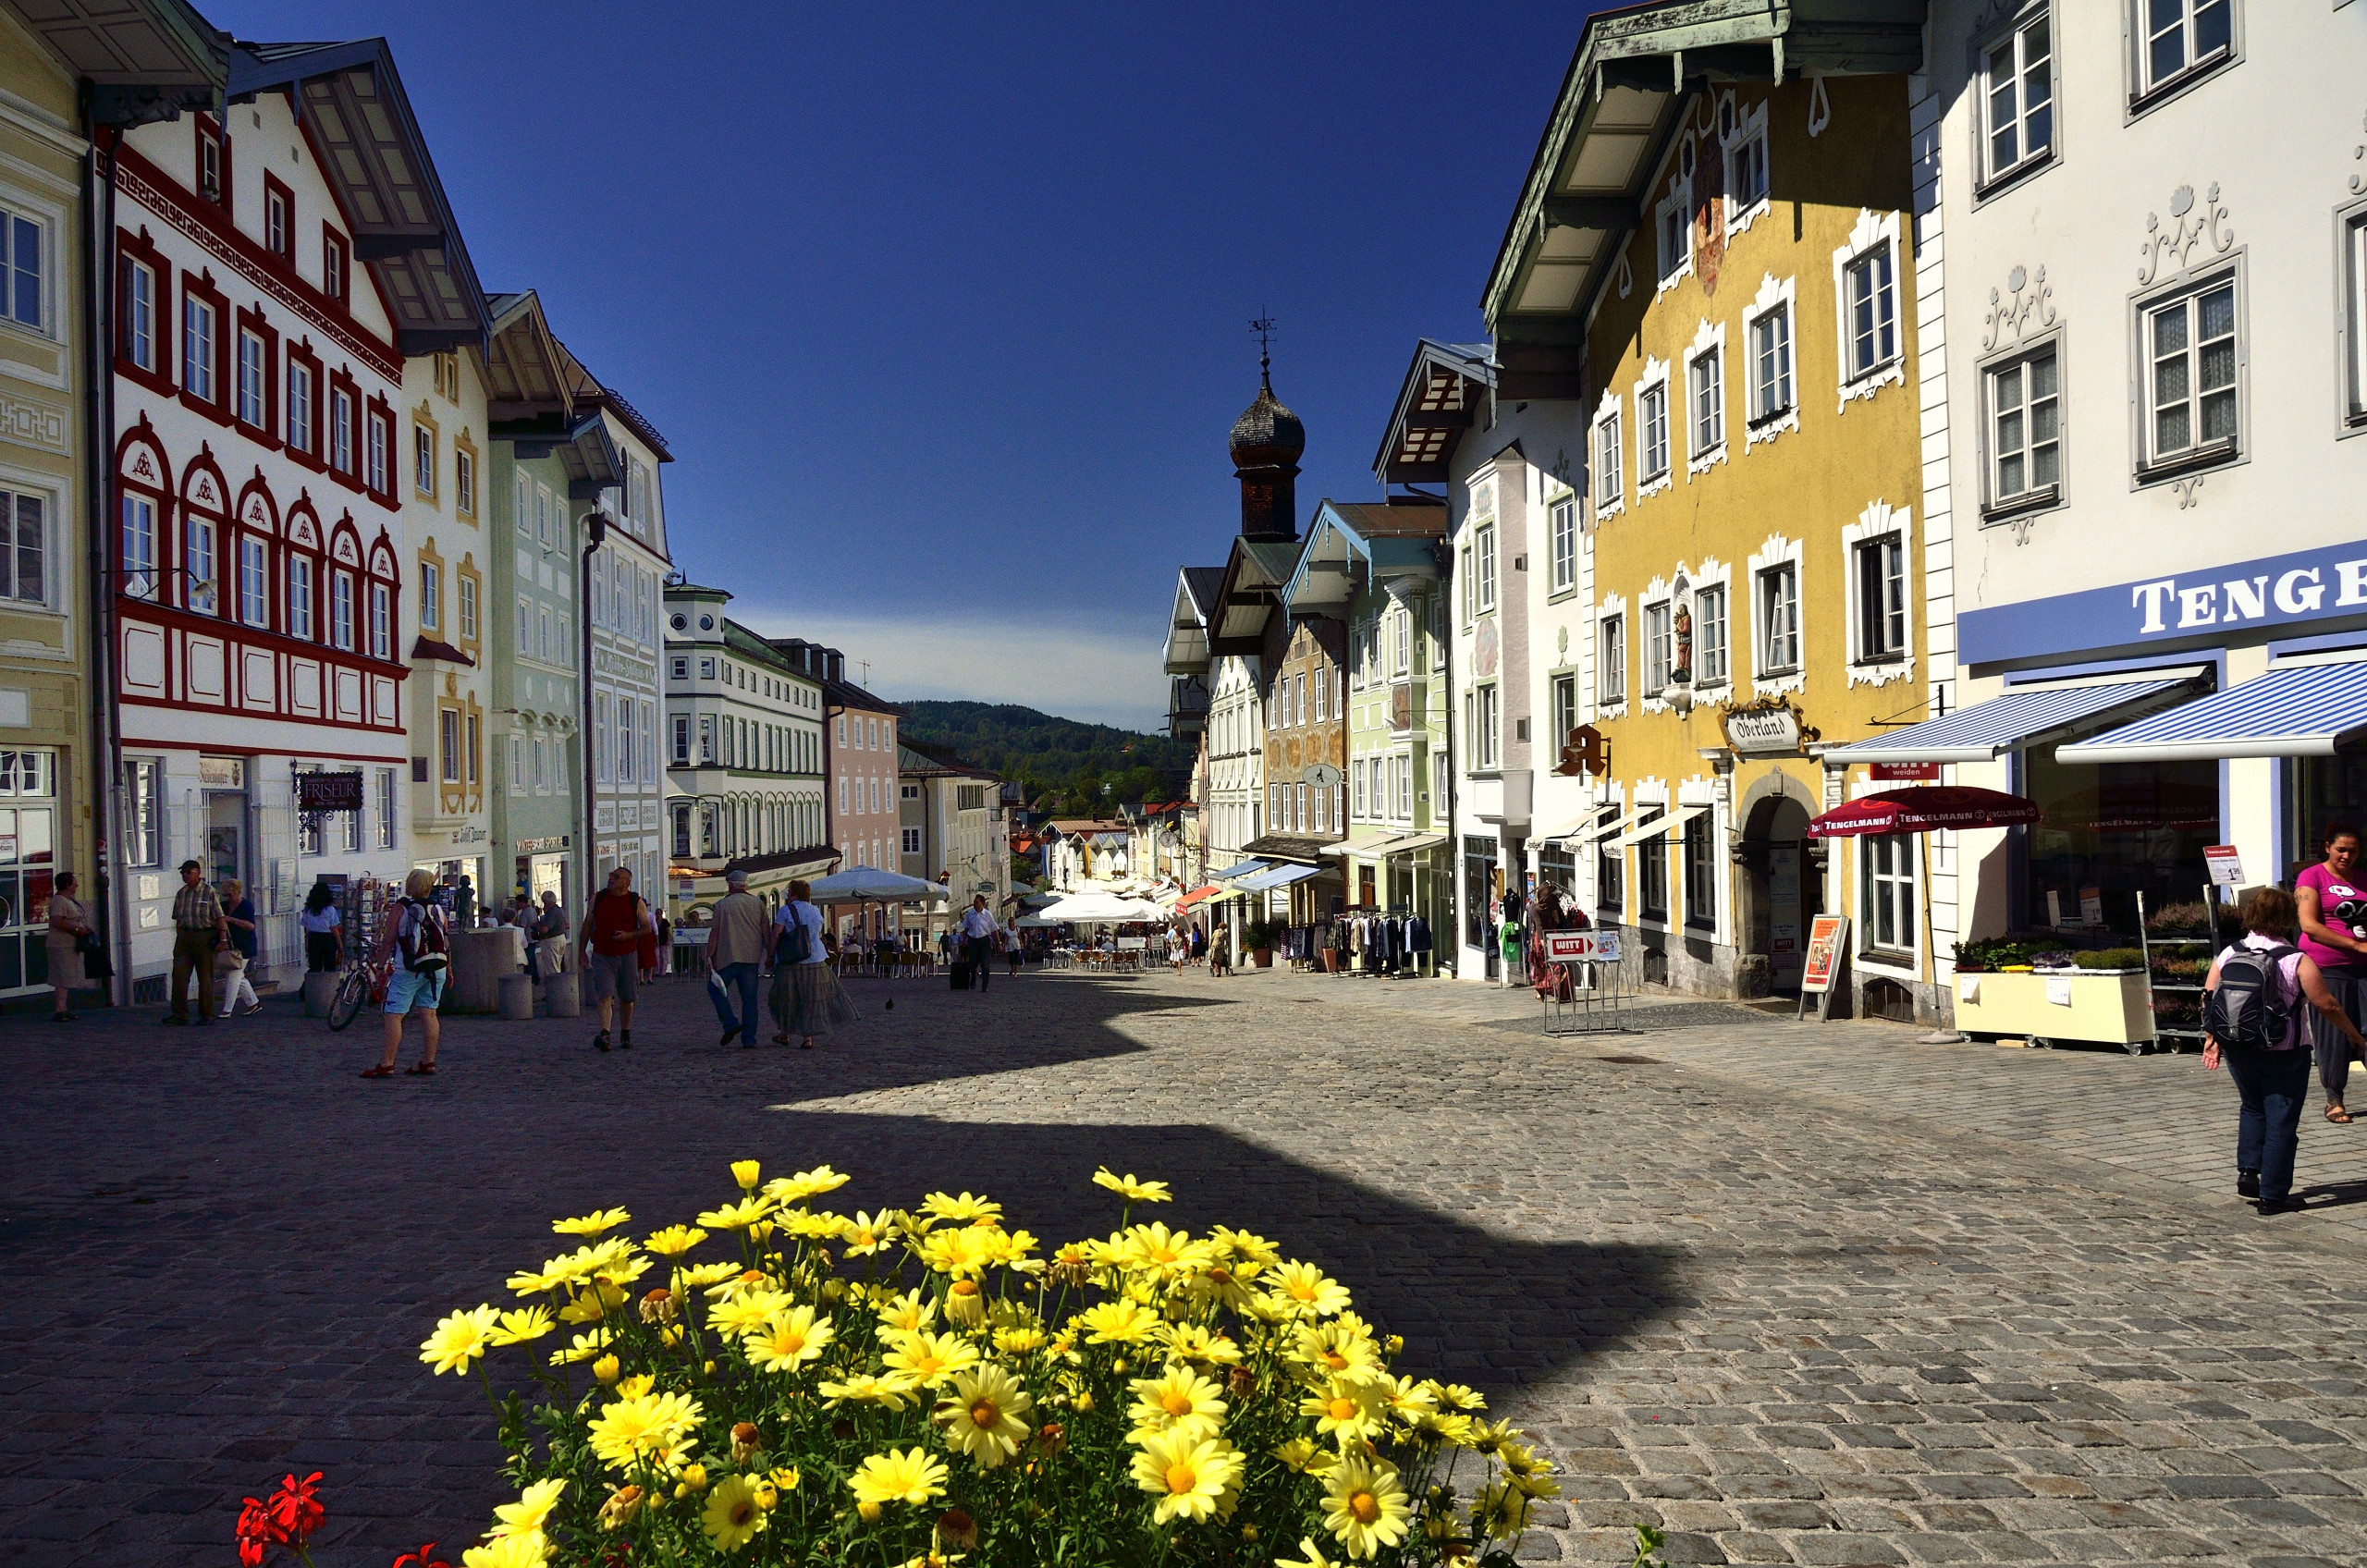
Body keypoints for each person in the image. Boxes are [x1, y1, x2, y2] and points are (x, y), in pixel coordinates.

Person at [2203, 885, 2367, 1214]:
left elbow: (2209, 997)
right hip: (2285, 1050)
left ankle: (2249, 1172)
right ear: (2286, 918)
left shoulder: (2230, 952)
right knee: (2281, 1119)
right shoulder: (2295, 959)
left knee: (2252, 1107)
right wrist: (2354, 1036)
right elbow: (2327, 1004)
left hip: (2239, 1046)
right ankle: (2273, 1196)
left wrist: (2212, 1039)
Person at [2295, 820, 2367, 1124]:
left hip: (2364, 968)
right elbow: (2309, 926)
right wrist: (2354, 944)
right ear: (2327, 847)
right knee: (2334, 1034)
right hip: (2327, 966)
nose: (2346, 856)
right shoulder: (2311, 877)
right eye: (2341, 850)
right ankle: (2334, 1099)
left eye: (2352, 851)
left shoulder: (2364, 879)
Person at [364, 868, 448, 1078]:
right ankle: (428, 1061)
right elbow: (445, 941)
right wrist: (451, 970)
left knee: (394, 1015)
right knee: (429, 1013)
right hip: (437, 968)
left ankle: (387, 1063)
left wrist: (381, 968)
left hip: (408, 968)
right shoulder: (438, 909)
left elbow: (388, 940)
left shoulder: (401, 908)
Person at [769, 878, 852, 1047]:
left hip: (790, 961)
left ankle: (784, 1034)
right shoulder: (815, 911)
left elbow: (777, 933)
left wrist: (770, 955)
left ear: (793, 894)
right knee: (809, 998)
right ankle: (808, 1038)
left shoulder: (785, 910)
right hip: (815, 959)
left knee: (785, 998)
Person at [580, 865, 653, 1052]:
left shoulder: (636, 901)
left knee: (627, 997)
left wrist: (627, 936)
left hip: (627, 955)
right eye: (611, 875)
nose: (611, 878)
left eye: (616, 876)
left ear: (626, 883)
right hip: (602, 954)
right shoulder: (599, 897)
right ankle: (605, 1033)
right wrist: (581, 952)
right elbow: (587, 925)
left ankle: (625, 1032)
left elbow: (646, 928)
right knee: (605, 994)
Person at [705, 869, 769, 1048]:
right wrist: (770, 953)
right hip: (751, 957)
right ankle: (749, 1038)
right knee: (749, 1000)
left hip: (728, 957)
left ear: (731, 885)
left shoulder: (721, 905)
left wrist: (709, 955)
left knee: (714, 988)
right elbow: (766, 931)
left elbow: (715, 933)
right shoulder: (758, 903)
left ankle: (730, 1022)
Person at [164, 858, 227, 1025]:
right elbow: (177, 918)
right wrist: (180, 936)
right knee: (179, 976)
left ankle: (207, 1014)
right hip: (185, 937)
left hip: (204, 936)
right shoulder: (181, 893)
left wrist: (223, 939)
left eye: (189, 872)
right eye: (183, 873)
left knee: (205, 978)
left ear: (198, 873)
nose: (185, 876)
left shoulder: (209, 892)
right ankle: (180, 1013)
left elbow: (220, 917)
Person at [46, 870, 91, 1023]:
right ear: (67, 884)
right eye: (74, 882)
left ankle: (63, 1008)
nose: (77, 885)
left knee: (67, 976)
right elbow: (57, 921)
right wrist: (77, 930)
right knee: (62, 977)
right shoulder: (59, 901)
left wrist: (85, 929)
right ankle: (60, 1010)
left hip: (69, 944)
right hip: (60, 945)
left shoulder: (68, 900)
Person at [215, 878, 263, 1018]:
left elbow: (250, 926)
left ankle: (227, 1009)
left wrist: (232, 920)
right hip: (231, 945)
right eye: (225, 895)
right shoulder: (224, 905)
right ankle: (253, 1003)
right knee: (238, 977)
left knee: (233, 975)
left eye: (230, 895)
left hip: (245, 945)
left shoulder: (246, 906)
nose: (228, 898)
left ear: (237, 892)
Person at [959, 894, 1000, 992]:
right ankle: (973, 977)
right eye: (974, 902)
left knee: (985, 965)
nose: (975, 904)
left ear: (982, 903)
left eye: (977, 902)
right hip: (973, 941)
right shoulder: (970, 914)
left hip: (984, 941)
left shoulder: (987, 914)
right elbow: (966, 928)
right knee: (972, 964)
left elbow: (994, 929)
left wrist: (999, 943)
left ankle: (985, 985)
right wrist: (964, 940)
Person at [300, 882, 344, 973]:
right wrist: (340, 944)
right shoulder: (330, 909)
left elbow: (306, 927)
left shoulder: (308, 909)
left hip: (313, 938)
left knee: (315, 966)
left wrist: (307, 942)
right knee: (330, 965)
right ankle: (329, 985)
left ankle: (314, 984)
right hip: (328, 939)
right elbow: (334, 929)